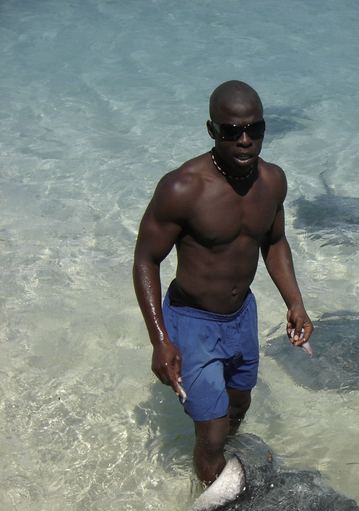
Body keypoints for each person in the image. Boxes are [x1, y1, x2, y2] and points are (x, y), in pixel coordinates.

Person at [133, 80, 313, 485]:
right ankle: (214, 505)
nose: (245, 141)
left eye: (255, 129)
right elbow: (146, 260)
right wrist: (160, 339)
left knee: (238, 406)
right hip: (192, 322)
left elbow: (275, 241)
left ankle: (224, 469)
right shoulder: (183, 188)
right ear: (212, 130)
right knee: (212, 435)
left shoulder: (273, 182)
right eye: (232, 131)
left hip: (241, 316)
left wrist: (295, 302)